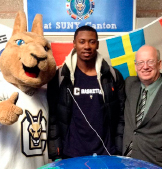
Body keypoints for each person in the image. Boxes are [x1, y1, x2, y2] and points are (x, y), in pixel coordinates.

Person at [47, 25, 125, 160]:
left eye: (92, 41)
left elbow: (121, 115)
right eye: (82, 41)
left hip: (106, 154)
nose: (87, 46)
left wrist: (118, 149)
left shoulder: (112, 75)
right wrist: (56, 152)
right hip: (71, 155)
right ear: (74, 44)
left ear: (97, 44)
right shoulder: (60, 77)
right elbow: (53, 117)